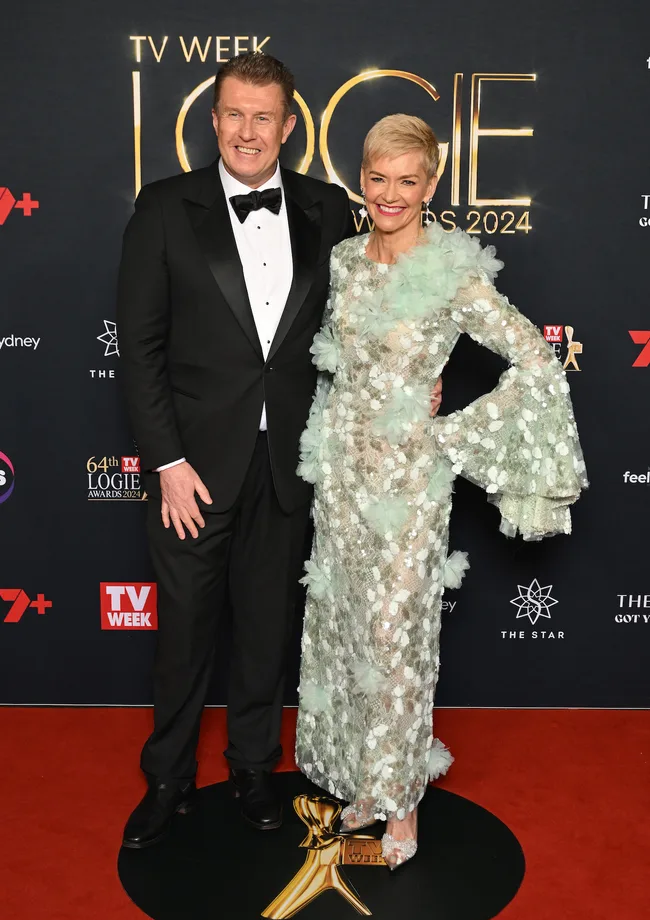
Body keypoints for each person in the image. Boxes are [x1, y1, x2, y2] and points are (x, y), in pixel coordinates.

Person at [295, 114, 588, 869]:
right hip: (343, 481)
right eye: (377, 178)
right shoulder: (345, 260)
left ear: (430, 184)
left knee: (397, 644)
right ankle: (364, 781)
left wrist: (450, 432)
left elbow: (536, 360)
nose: (390, 194)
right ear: (361, 179)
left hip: (409, 488)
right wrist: (327, 451)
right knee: (348, 634)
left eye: (407, 181)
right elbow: (335, 368)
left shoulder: (454, 270)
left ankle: (404, 804)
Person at [117, 52, 356, 847]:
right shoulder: (162, 208)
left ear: (288, 126)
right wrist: (167, 465)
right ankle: (168, 781)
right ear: (213, 119)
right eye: (234, 114)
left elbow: (357, 336)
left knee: (265, 627)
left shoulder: (328, 209)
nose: (248, 131)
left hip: (291, 464)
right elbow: (141, 349)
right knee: (184, 632)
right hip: (193, 468)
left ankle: (254, 767)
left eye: (265, 117)